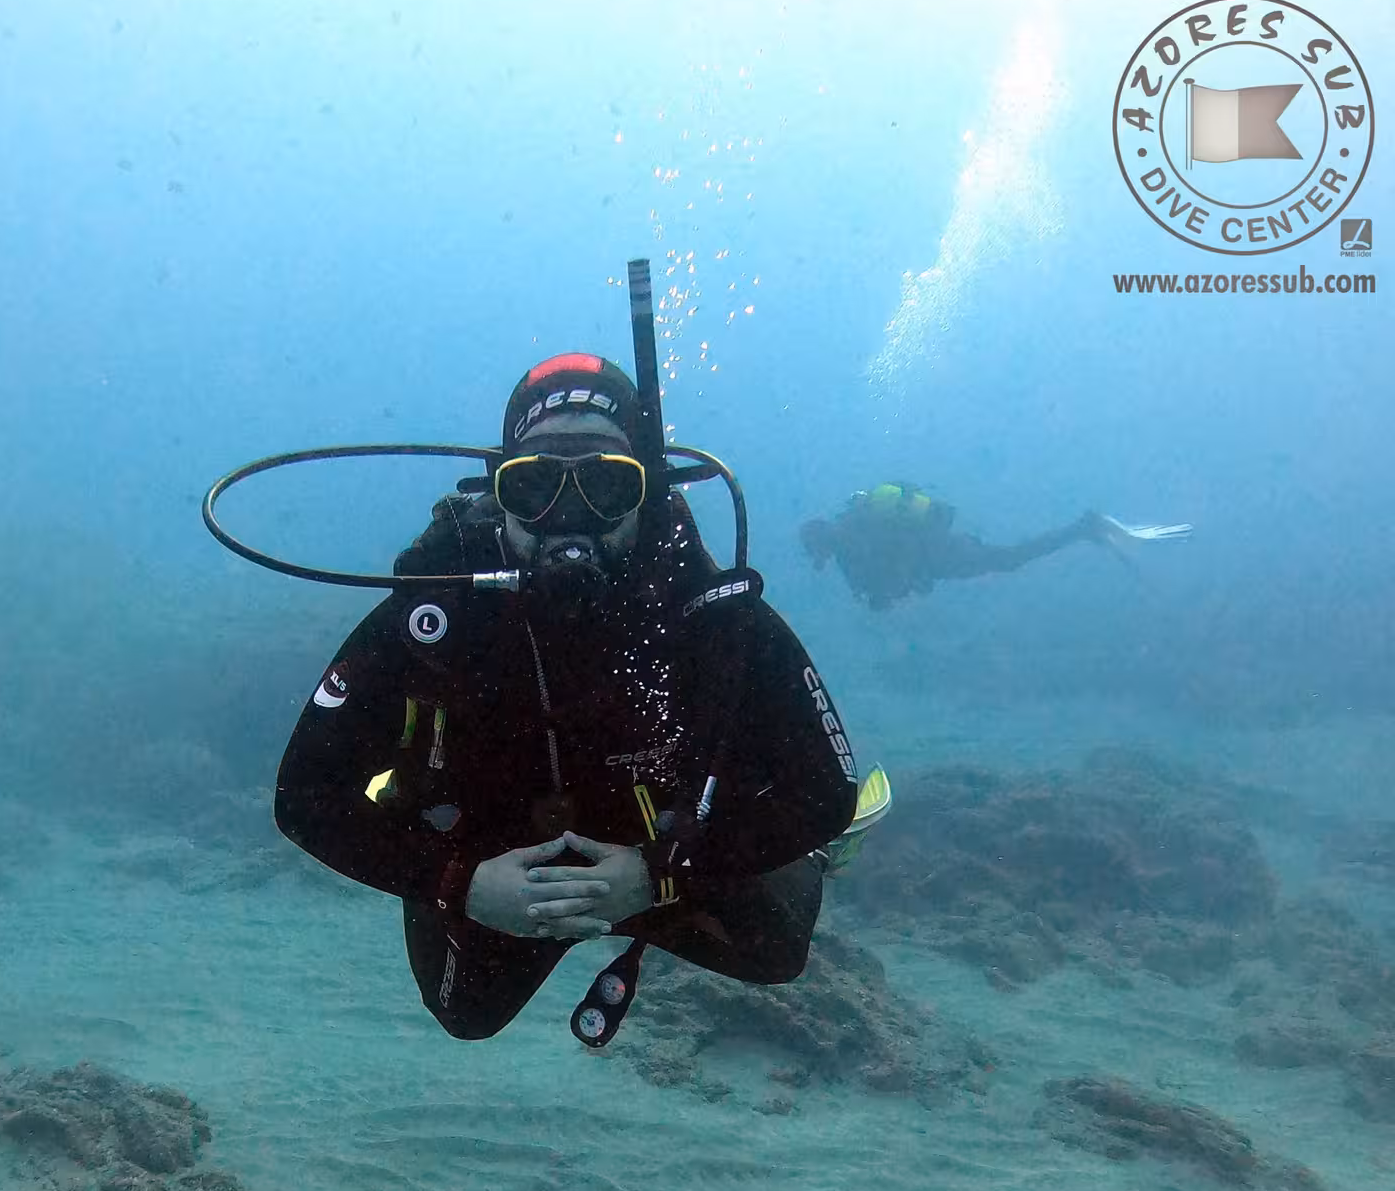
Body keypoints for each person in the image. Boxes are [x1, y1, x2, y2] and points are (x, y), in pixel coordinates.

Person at [273, 354, 864, 1044]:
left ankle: (725, 877)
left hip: (663, 849)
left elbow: (828, 788)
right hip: (498, 865)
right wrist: (457, 880)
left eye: (607, 486)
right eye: (536, 487)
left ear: (646, 492)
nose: (568, 517)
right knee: (464, 1015)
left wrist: (654, 877)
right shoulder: (438, 615)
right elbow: (303, 794)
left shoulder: (705, 614)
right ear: (499, 493)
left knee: (776, 950)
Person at [800, 482, 1112, 611]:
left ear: (821, 539)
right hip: (940, 558)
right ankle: (1081, 530)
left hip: (943, 555)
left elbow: (903, 547)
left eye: (814, 548)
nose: (817, 556)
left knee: (1008, 559)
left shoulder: (854, 534)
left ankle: (1083, 528)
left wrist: (900, 580)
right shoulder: (850, 540)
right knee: (1006, 558)